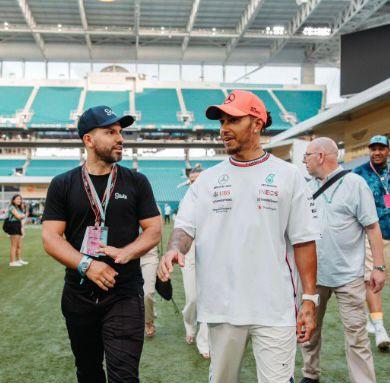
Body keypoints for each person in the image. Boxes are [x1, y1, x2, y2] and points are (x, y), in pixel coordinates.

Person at [158, 90, 320, 383]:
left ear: (257, 123)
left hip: (275, 308)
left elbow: (304, 241)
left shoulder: (288, 175)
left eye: (233, 119)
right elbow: (184, 227)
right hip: (221, 308)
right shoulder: (207, 180)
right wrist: (173, 249)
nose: (223, 129)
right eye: (221, 121)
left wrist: (309, 299)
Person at [42, 105, 162, 383]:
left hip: (124, 291)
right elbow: (50, 236)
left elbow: (154, 229)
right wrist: (87, 265)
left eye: (120, 132)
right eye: (110, 132)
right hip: (79, 293)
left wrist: (127, 252)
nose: (120, 138)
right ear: (88, 140)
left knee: (124, 376)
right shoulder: (63, 183)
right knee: (89, 373)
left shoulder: (136, 181)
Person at [300, 137, 386, 383]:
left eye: (307, 155)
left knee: (357, 334)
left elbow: (372, 227)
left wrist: (378, 267)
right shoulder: (305, 187)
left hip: (349, 275)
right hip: (312, 275)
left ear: (320, 156)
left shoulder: (355, 183)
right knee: (310, 330)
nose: (304, 160)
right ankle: (310, 374)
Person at [354, 135, 390, 350]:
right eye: (373, 148)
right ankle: (380, 328)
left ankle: (372, 318)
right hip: (370, 233)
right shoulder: (359, 173)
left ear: (387, 151)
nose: (377, 152)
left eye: (381, 148)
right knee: (372, 280)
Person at [181, 167, 209, 359]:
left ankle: (204, 342)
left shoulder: (216, 199)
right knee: (192, 298)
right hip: (190, 252)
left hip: (211, 253)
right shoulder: (186, 201)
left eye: (198, 179)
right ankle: (189, 324)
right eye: (192, 180)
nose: (195, 183)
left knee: (208, 299)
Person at [7, 194, 28, 267]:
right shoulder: (11, 207)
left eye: (20, 199)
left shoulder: (18, 208)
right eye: (17, 199)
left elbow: (24, 216)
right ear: (13, 200)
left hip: (18, 225)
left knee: (19, 245)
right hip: (13, 226)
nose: (19, 200)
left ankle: (19, 260)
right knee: (14, 245)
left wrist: (23, 215)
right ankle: (12, 262)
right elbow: (19, 216)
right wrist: (23, 215)